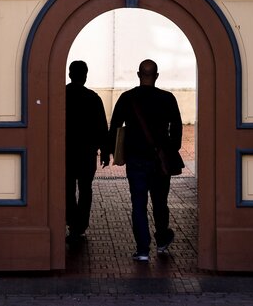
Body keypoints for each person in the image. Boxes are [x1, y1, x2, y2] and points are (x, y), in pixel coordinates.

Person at [107, 59, 182, 262]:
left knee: (138, 204)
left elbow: (114, 126)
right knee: (160, 202)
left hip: (136, 159)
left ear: (139, 74)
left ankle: (142, 249)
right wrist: (170, 150)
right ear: (156, 76)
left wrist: (111, 152)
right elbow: (176, 129)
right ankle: (161, 239)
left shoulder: (127, 98)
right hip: (159, 160)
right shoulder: (168, 99)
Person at [65, 61, 108, 243]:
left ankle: (72, 222)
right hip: (86, 152)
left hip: (66, 152)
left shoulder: (61, 95)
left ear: (69, 74)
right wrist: (105, 151)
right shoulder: (93, 98)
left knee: (67, 189)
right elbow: (101, 127)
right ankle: (80, 225)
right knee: (85, 189)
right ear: (85, 75)